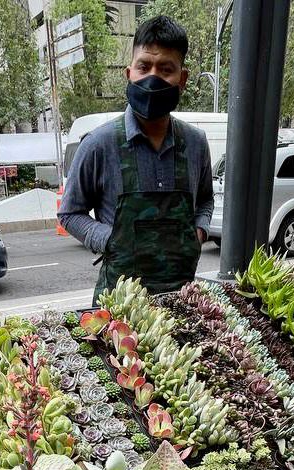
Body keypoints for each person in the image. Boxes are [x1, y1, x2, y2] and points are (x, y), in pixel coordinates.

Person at [58, 15, 214, 303]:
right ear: (129, 73)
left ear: (182, 79)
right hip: (117, 310)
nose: (152, 77)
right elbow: (69, 213)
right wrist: (109, 239)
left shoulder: (195, 143)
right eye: (144, 66)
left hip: (182, 304)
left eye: (165, 69)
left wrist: (200, 231)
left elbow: (204, 199)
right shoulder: (99, 144)